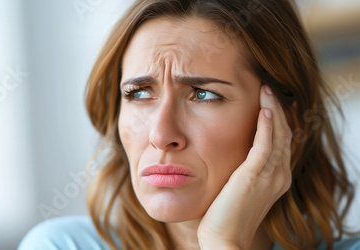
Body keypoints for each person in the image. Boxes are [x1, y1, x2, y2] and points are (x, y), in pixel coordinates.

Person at [19, 0, 360, 249]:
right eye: (139, 93)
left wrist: (223, 242)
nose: (161, 135)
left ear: (289, 122)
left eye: (203, 94)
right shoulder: (61, 245)